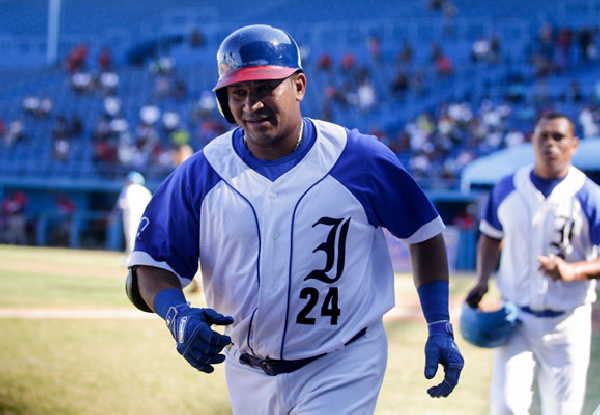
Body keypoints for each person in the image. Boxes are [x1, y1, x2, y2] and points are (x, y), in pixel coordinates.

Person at [127, 24, 463, 414]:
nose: (251, 105)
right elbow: (151, 265)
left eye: (265, 88)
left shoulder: (359, 159)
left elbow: (423, 233)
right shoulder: (201, 173)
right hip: (246, 368)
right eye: (239, 93)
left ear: (299, 86)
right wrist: (177, 315)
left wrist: (438, 323)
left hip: (343, 363)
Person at [466, 112, 600, 415]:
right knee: (507, 407)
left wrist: (573, 271)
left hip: (569, 320)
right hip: (517, 319)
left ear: (574, 145)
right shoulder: (506, 188)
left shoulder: (590, 196)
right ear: (532, 141)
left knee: (562, 411)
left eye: (558, 137)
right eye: (543, 136)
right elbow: (489, 236)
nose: (550, 143)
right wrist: (483, 279)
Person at [118, 171, 152, 255]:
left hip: (131, 216)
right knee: (140, 237)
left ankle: (131, 255)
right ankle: (135, 255)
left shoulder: (129, 189)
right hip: (144, 217)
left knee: (131, 235)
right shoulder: (145, 190)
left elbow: (122, 204)